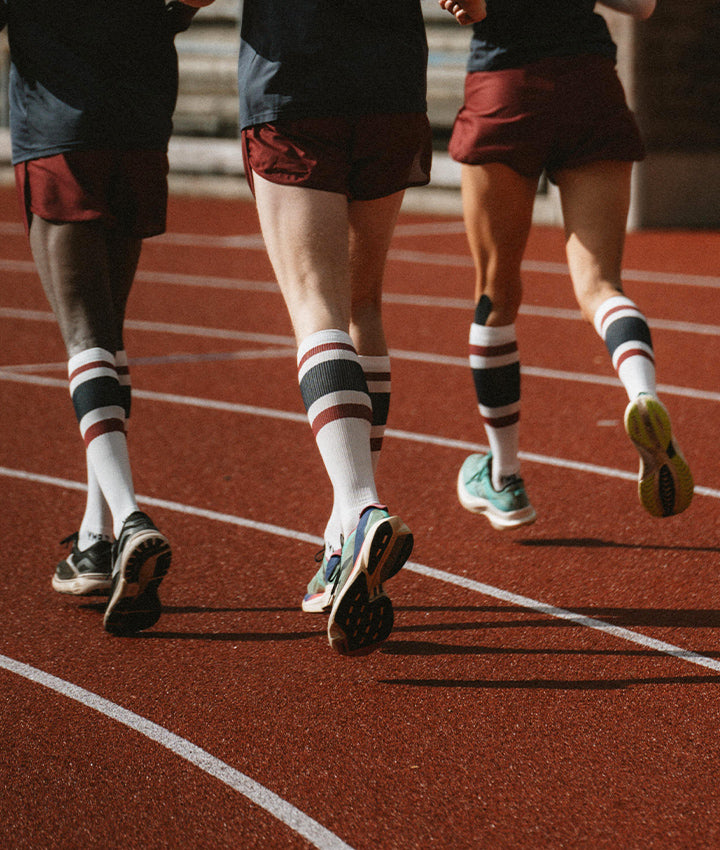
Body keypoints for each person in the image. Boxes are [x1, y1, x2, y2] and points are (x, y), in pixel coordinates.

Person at [238, 0, 486, 655]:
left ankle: (357, 509)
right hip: (391, 85)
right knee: (363, 305)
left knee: (317, 304)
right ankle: (342, 535)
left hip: (295, 80)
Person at [2, 0, 215, 633]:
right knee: (108, 338)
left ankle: (127, 518)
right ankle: (96, 540)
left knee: (86, 338)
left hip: (62, 128)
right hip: (142, 123)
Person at [444, 0, 694, 530]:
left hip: (506, 83)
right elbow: (643, 6)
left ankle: (505, 478)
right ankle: (642, 395)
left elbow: (467, 8)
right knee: (600, 284)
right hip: (590, 83)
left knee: (496, 292)